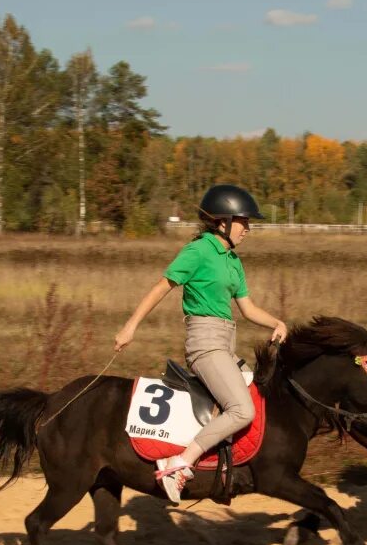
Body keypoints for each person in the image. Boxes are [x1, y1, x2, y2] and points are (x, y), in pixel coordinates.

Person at [114, 185, 287, 502]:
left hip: (226, 343)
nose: (248, 229)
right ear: (223, 221)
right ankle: (178, 464)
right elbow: (160, 288)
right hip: (204, 344)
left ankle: (223, 465)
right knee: (242, 409)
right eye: (244, 221)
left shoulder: (234, 261)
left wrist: (277, 322)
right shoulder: (198, 251)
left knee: (257, 398)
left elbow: (247, 309)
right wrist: (130, 326)